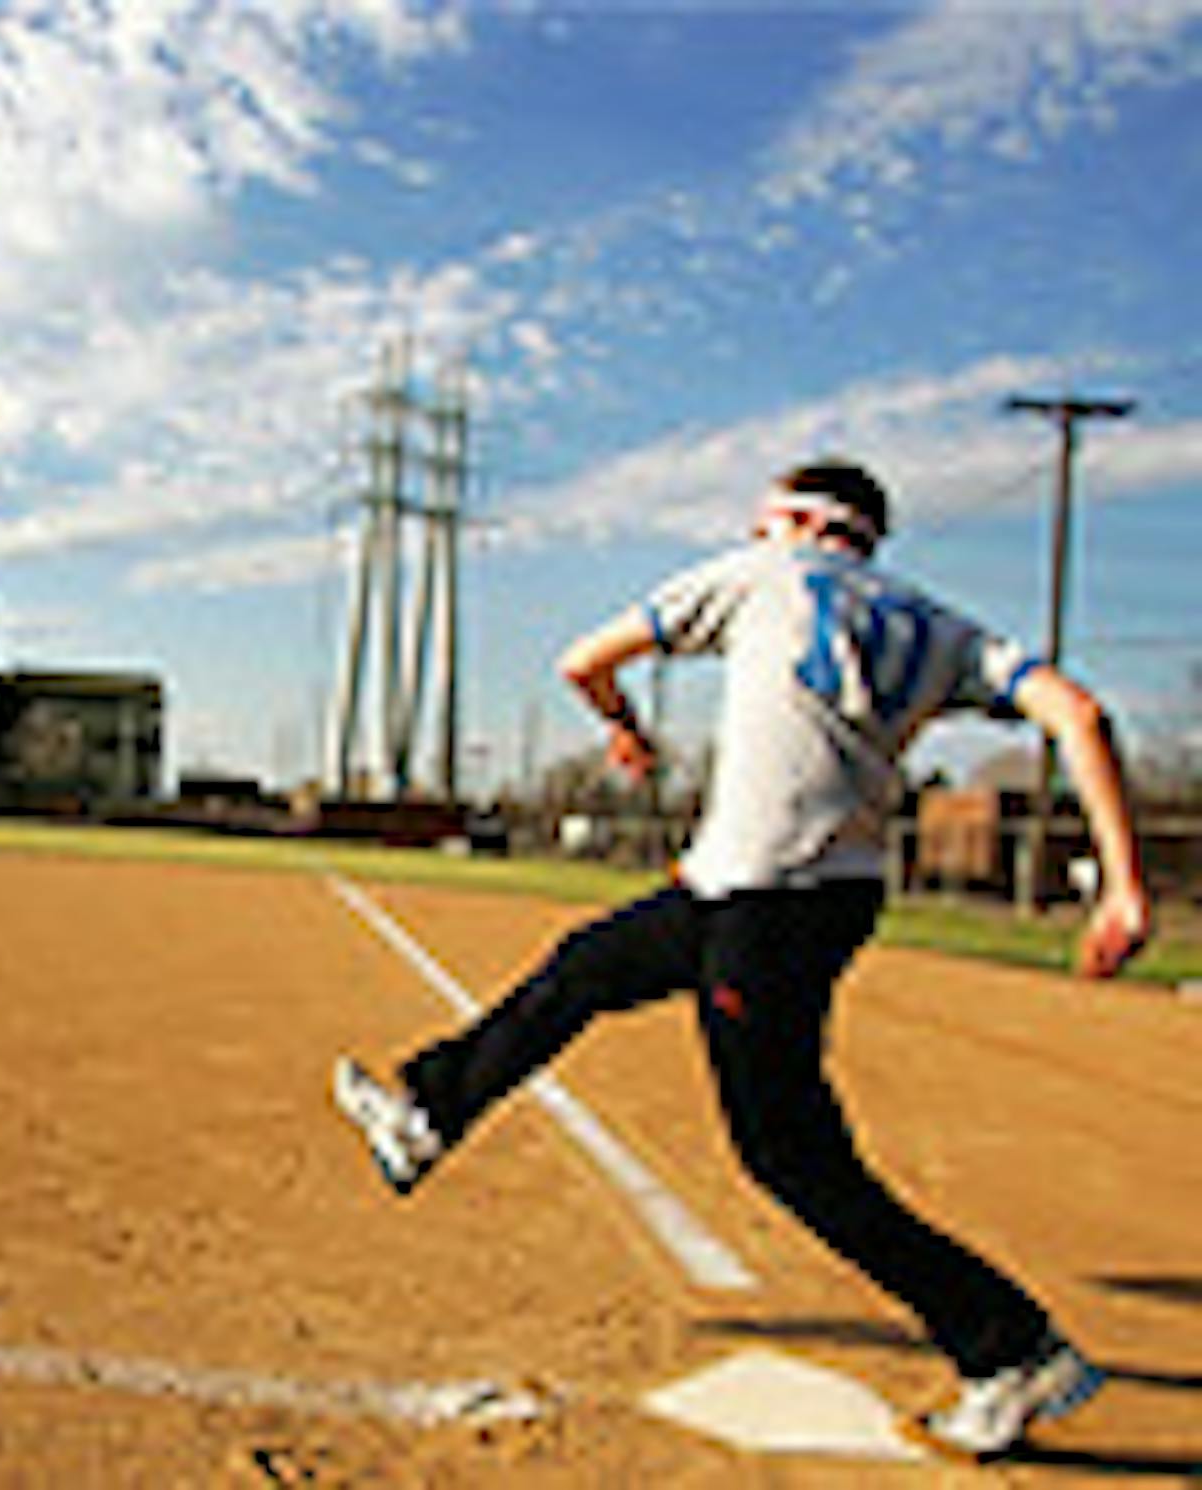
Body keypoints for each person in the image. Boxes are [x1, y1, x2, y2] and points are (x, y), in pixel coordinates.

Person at [331, 459, 1153, 1464]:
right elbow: (1082, 714)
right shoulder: (937, 624)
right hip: (780, 888)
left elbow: (580, 660)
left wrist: (623, 724)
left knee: (792, 1155)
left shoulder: (766, 573)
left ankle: (1010, 1345)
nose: (759, 534)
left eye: (766, 520)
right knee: (585, 967)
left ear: (803, 522)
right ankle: (428, 1113)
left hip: (769, 905)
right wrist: (1122, 883)